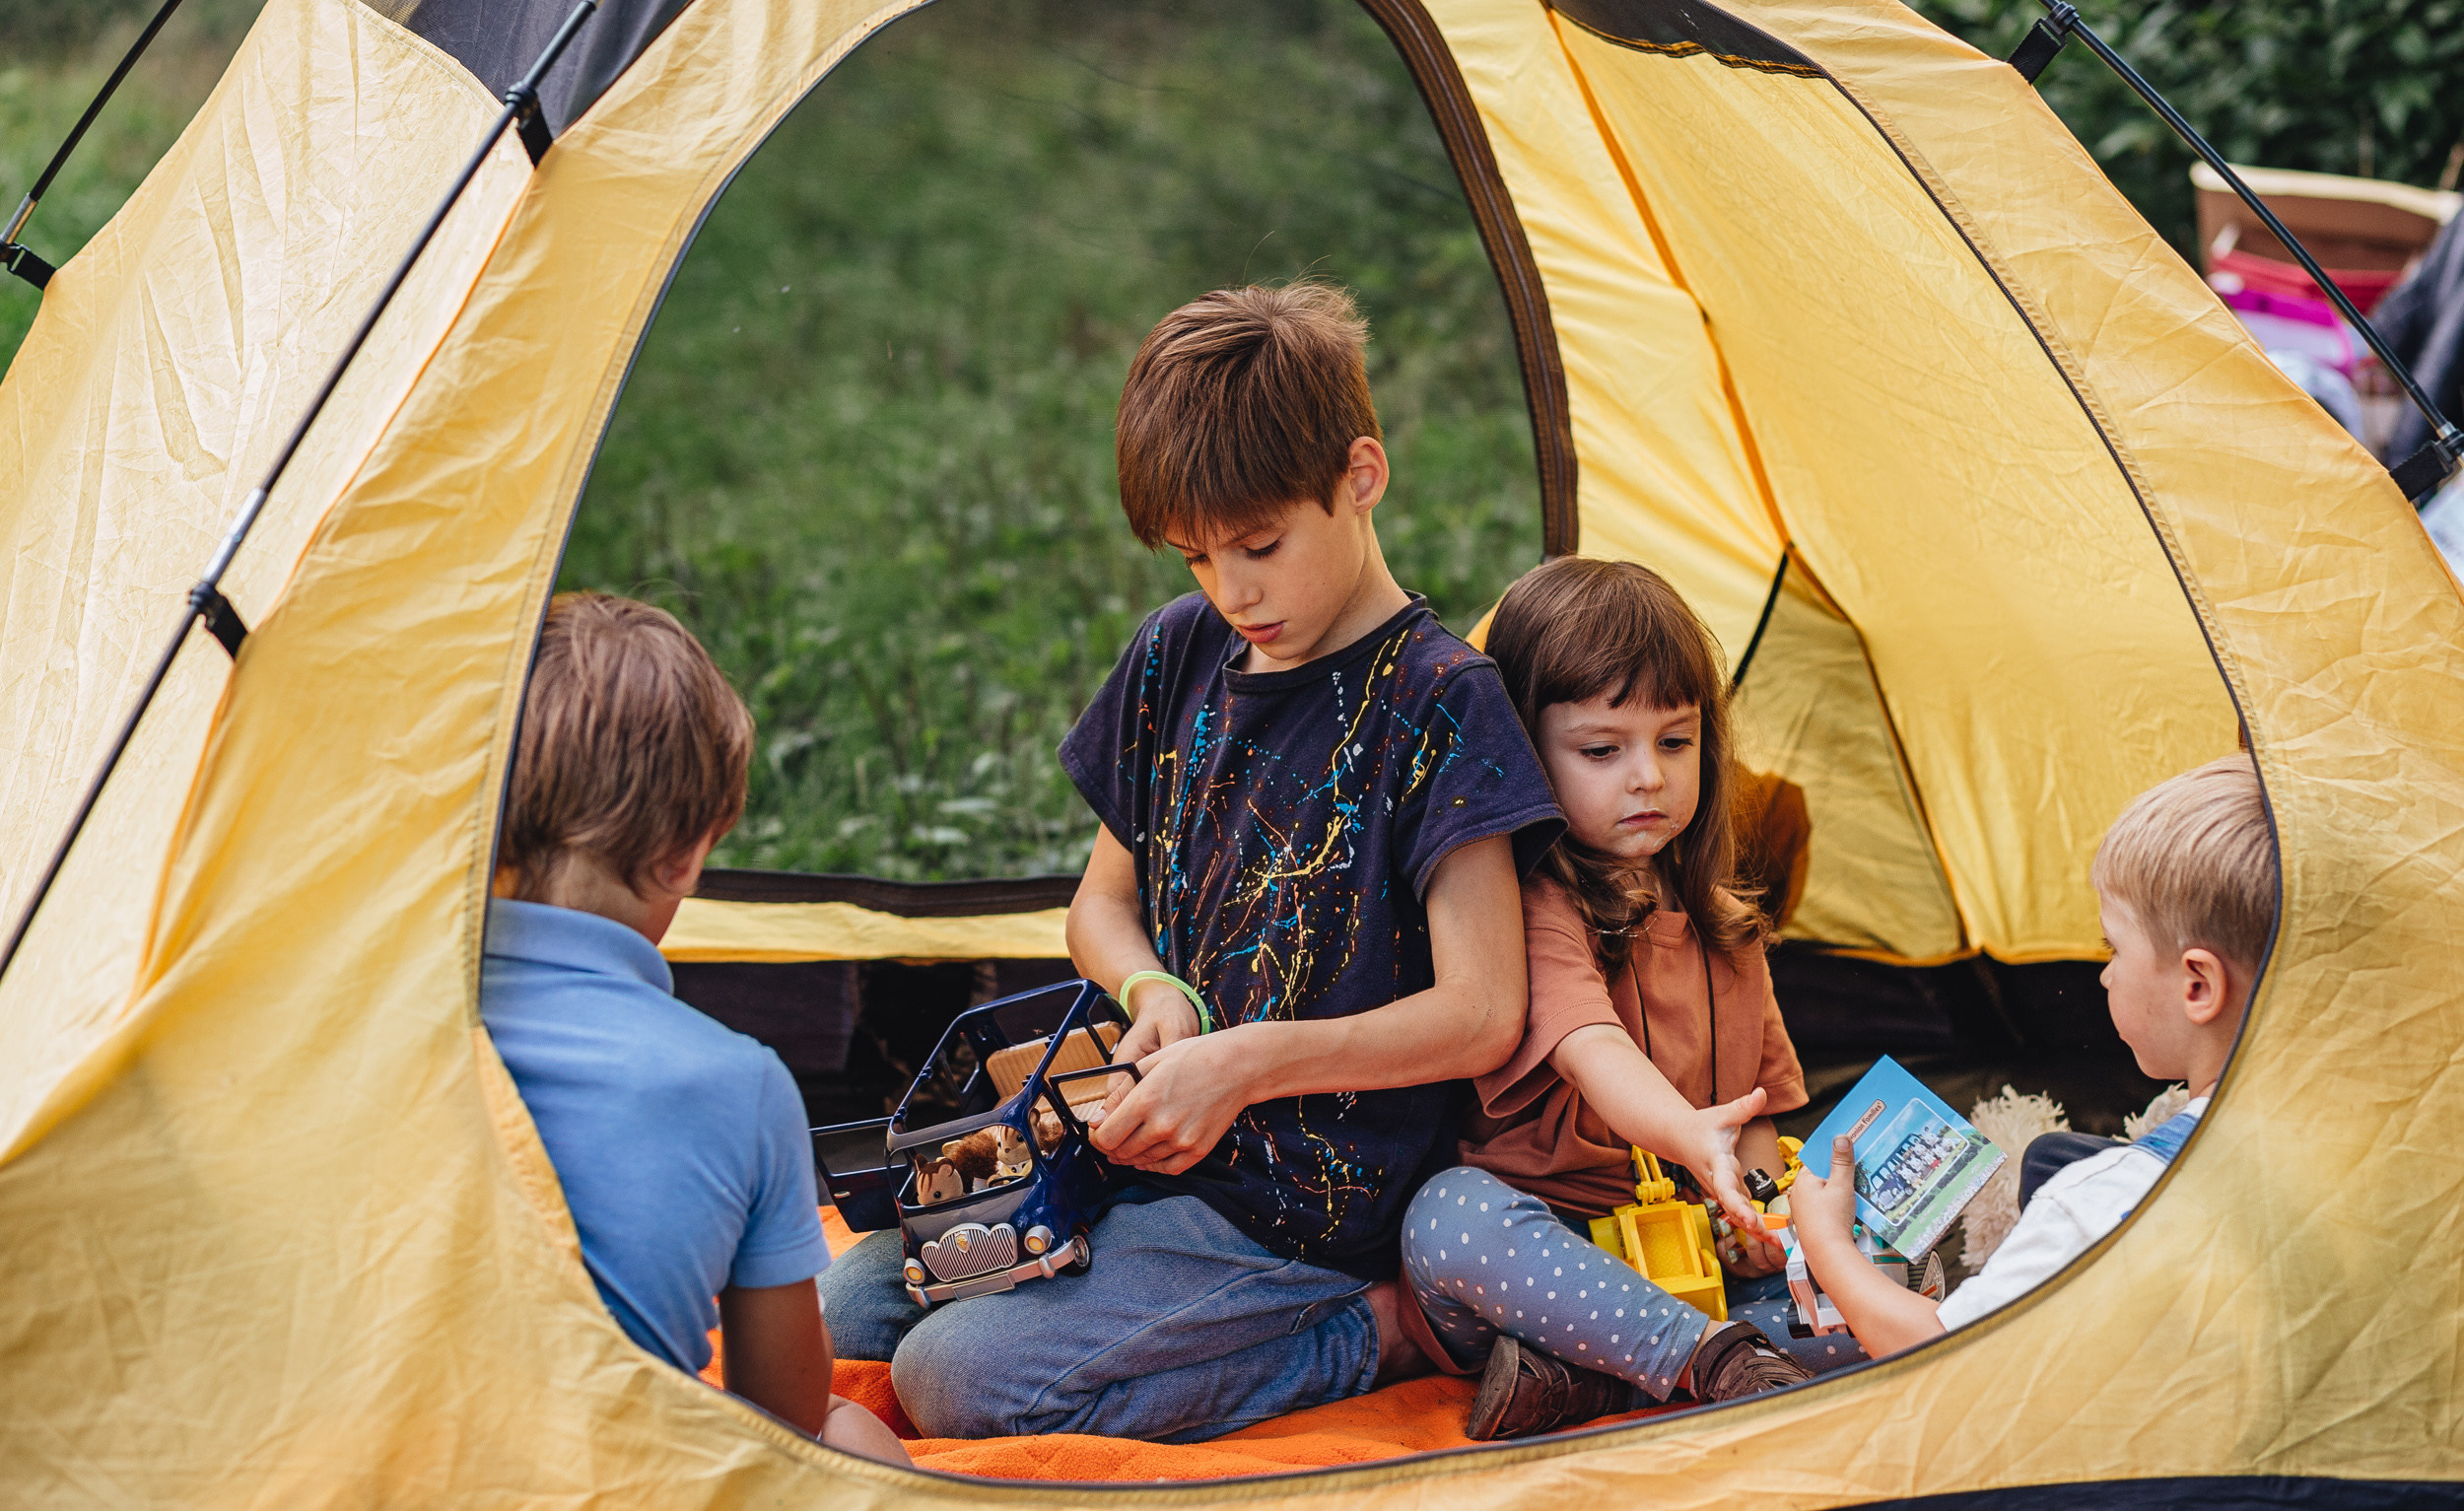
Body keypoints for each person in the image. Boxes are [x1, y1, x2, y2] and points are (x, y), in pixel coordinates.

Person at [822, 282, 1563, 1441]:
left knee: (955, 1379)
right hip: (1134, 1153)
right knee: (840, 1312)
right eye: (1194, 557)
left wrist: (1248, 1065)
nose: (1232, 589)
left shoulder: (1438, 701)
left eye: (1259, 546)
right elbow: (1099, 904)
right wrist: (1151, 987)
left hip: (1294, 1212)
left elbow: (1482, 1011)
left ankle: (1370, 1329)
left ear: (1361, 476)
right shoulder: (1177, 655)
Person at [1396, 557, 1834, 1441]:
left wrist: (1756, 1207)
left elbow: (1756, 1112)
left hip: (1687, 1256)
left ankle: (1596, 1381)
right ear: (1526, 752)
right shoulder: (1534, 905)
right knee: (1448, 1216)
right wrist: (1694, 1139)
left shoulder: (1729, 929)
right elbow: (1594, 1046)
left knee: (1857, 1267)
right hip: (1542, 1261)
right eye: (1603, 750)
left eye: (1675, 742)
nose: (1649, 777)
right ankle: (1706, 1360)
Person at [481, 592, 909, 1465]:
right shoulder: (740, 1085)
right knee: (844, 1433)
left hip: (362, 1460)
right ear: (682, 857)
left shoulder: (371, 1012)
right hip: (607, 1477)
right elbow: (782, 1415)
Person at [1789, 755, 2274, 1356]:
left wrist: (1827, 1242)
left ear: (2197, 986)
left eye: (2113, 949)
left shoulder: (2100, 1204)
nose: (2105, 976)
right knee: (2050, 1157)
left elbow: (1943, 1353)